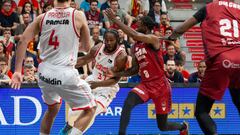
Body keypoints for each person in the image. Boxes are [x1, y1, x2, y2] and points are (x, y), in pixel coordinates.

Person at [10, 0, 97, 134]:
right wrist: (71, 45)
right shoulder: (78, 15)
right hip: (64, 73)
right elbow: (87, 47)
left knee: (53, 108)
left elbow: (22, 41)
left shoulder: (42, 17)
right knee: (90, 109)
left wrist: (17, 71)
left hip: (44, 72)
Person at [104, 9, 188, 135]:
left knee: (162, 126)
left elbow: (135, 35)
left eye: (139, 23)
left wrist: (115, 20)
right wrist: (116, 74)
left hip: (161, 86)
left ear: (146, 26)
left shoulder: (154, 39)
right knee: (128, 102)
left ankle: (182, 127)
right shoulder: (135, 46)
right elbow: (134, 70)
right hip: (146, 85)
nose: (137, 25)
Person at [166, 0, 240, 134]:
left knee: (202, 111)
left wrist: (171, 36)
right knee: (238, 100)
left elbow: (182, 28)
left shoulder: (209, 7)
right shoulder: (239, 8)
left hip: (222, 59)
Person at [59, 29, 128, 134]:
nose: (108, 43)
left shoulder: (121, 56)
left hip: (107, 88)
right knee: (75, 111)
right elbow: (84, 59)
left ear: (117, 40)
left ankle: (74, 133)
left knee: (92, 111)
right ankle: (69, 126)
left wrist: (97, 85)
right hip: (92, 81)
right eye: (106, 40)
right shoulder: (98, 48)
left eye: (111, 40)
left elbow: (115, 80)